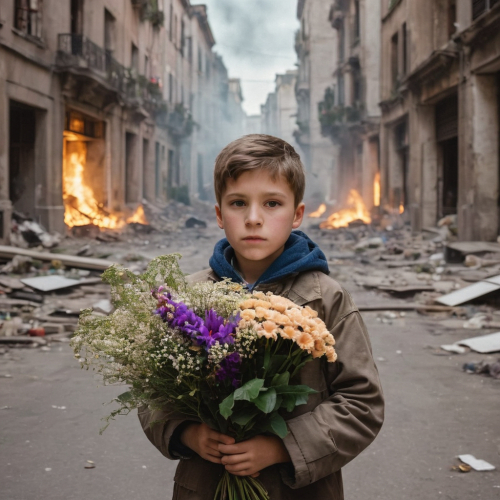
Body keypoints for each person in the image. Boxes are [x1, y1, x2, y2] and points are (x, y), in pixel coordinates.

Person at [139, 134, 384, 500]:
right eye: (238, 203)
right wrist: (187, 433)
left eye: (272, 203)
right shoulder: (188, 300)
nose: (254, 219)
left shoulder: (326, 298)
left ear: (297, 214)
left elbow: (362, 403)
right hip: (207, 485)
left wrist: (282, 447)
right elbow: (151, 390)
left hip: (298, 488)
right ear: (220, 216)